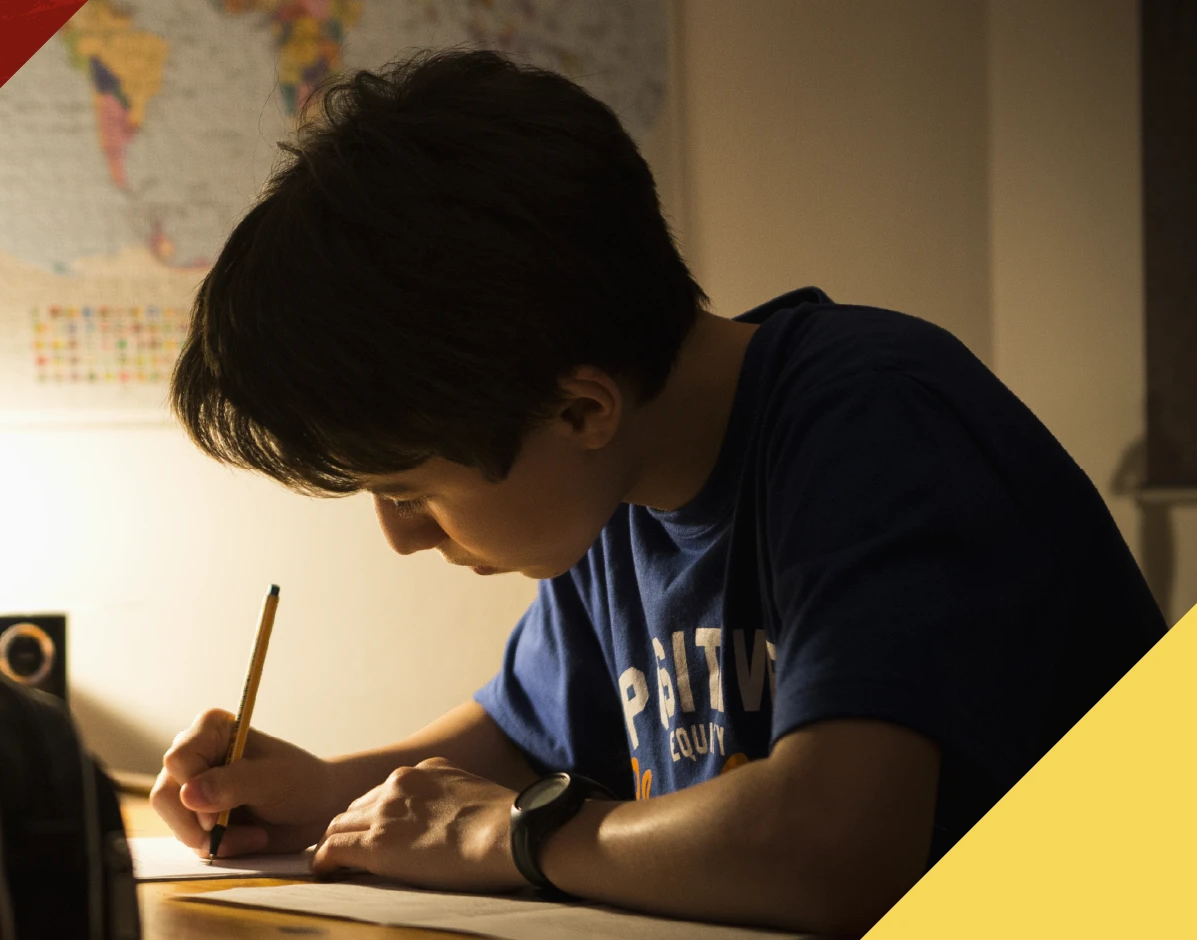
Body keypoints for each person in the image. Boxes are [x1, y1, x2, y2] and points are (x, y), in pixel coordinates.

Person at [150, 49, 1166, 936]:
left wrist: (511, 835)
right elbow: (521, 733)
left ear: (580, 408)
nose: (401, 538)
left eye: (409, 489)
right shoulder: (609, 485)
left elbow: (832, 847)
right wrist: (324, 790)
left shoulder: (875, 420)